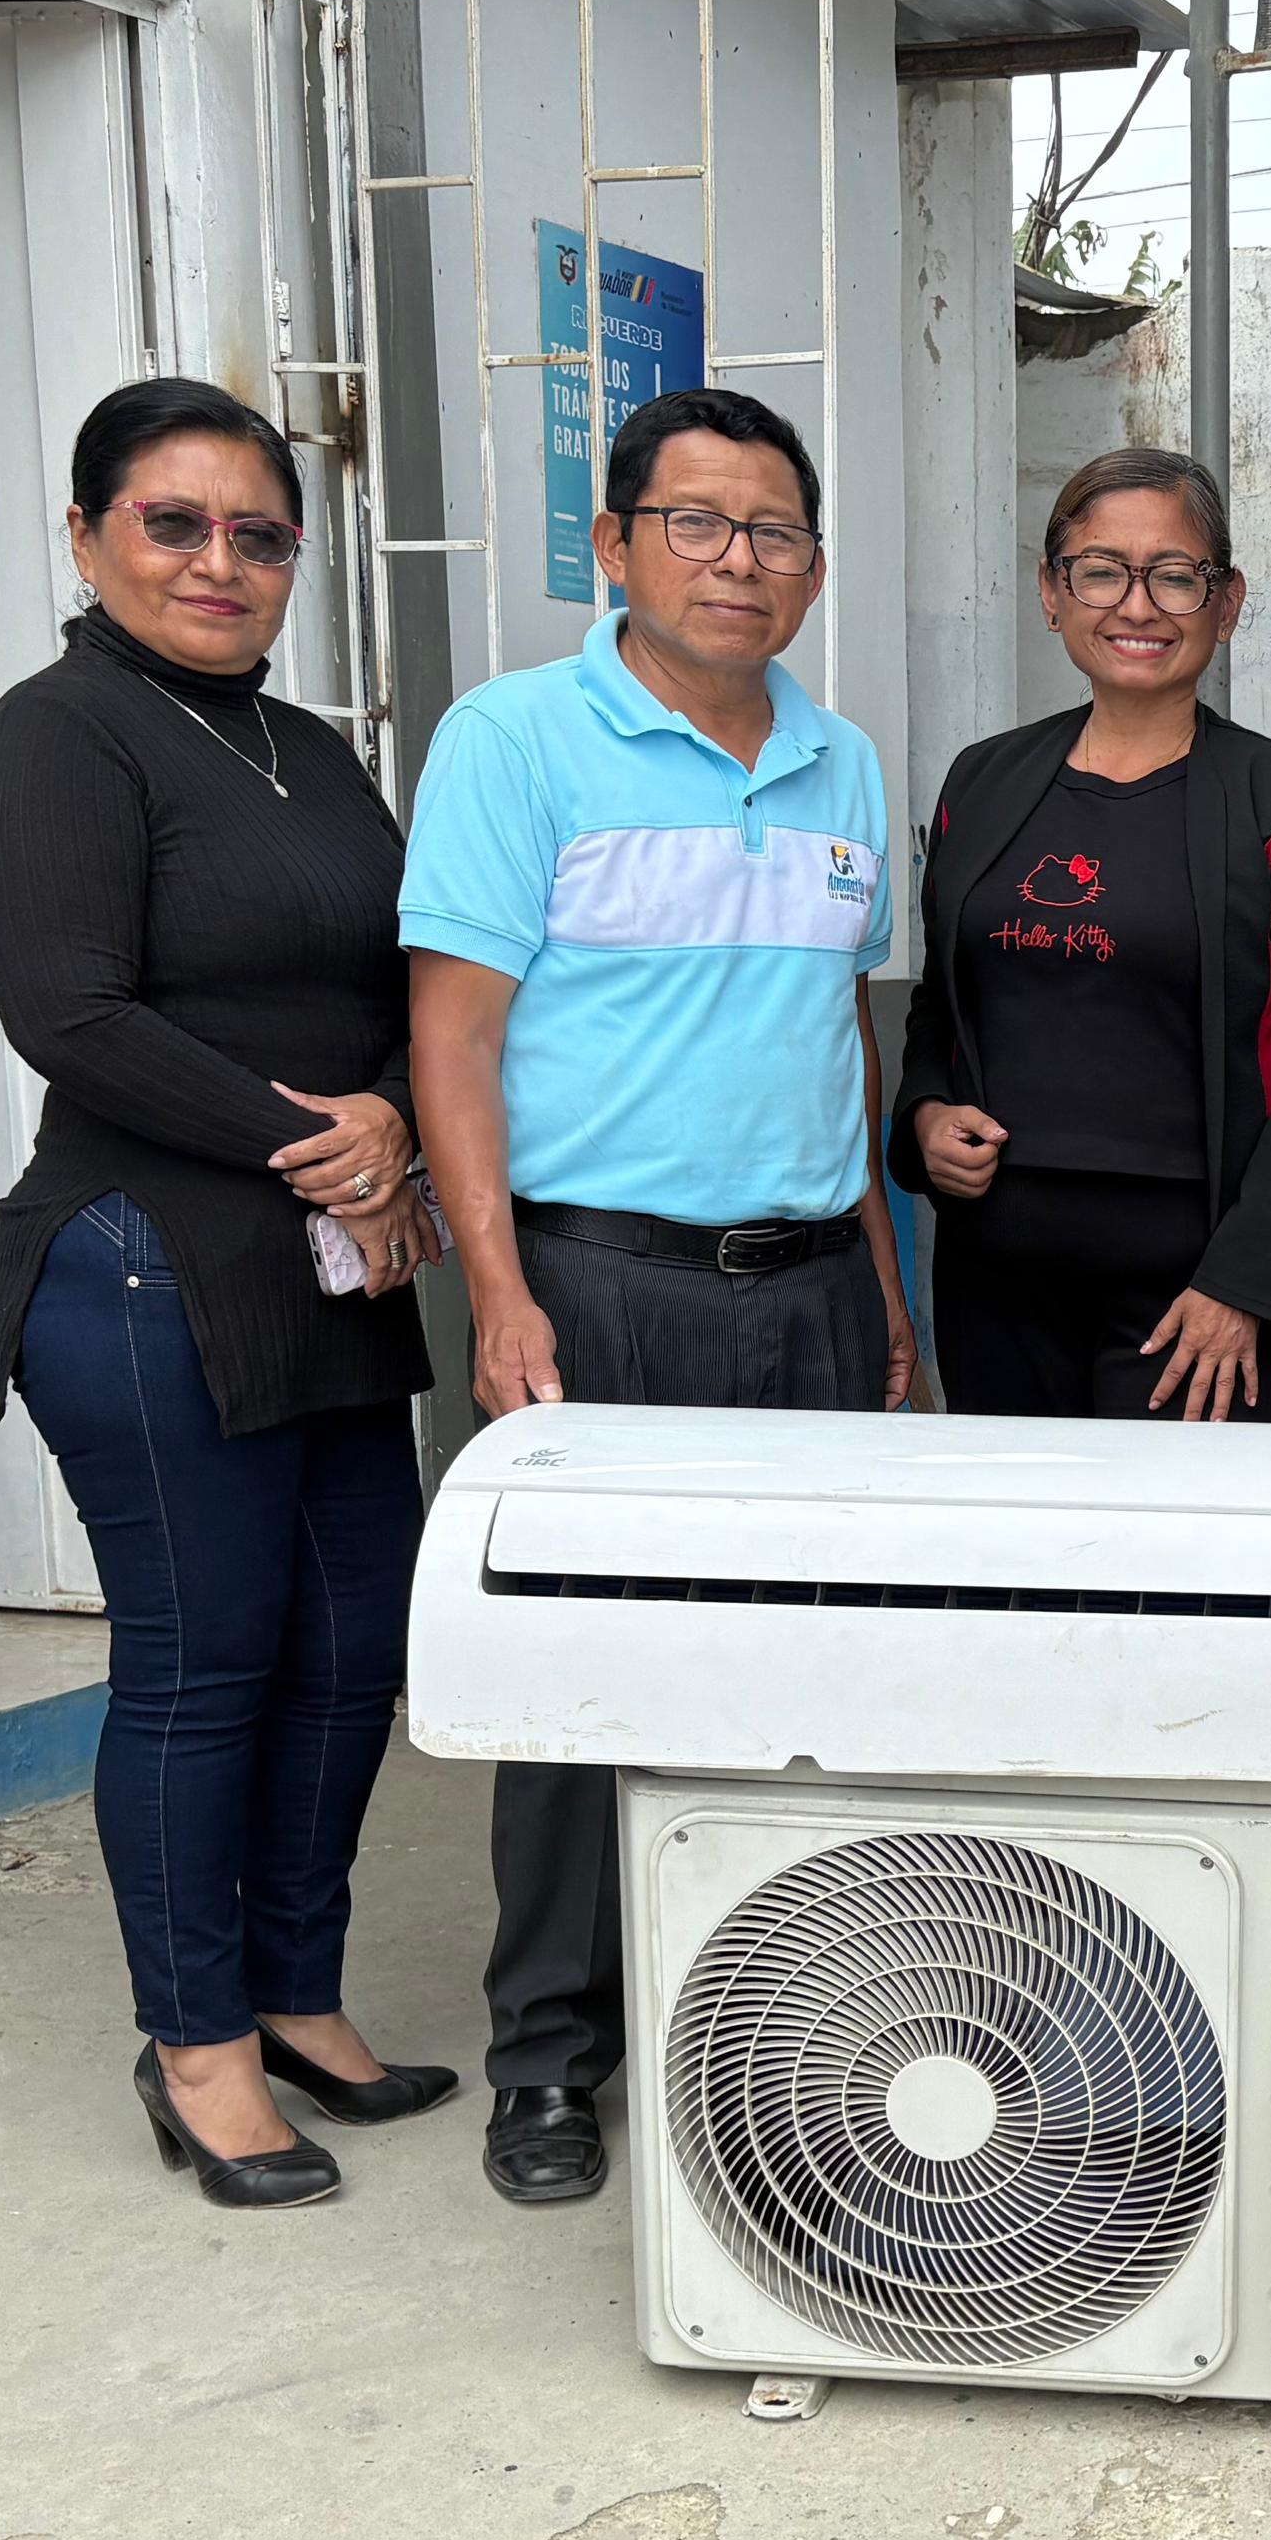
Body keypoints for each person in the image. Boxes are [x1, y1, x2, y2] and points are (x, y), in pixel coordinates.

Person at [404, 384, 911, 2208]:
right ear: (614, 545)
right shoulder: (513, 740)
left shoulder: (843, 765)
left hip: (810, 1291)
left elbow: (839, 1039)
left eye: (773, 531)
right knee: (577, 1684)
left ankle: (770, 2026)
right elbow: (453, 1038)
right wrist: (500, 1294)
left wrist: (887, 1298)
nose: (737, 561)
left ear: (814, 568)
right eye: (695, 523)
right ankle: (550, 2059)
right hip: (597, 1284)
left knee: (803, 1670)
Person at [0, 380, 451, 2212]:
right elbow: (70, 1014)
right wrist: (326, 1143)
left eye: (258, 534)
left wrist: (393, 1112)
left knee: (354, 1646)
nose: (218, 562)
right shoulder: (59, 735)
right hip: (144, 1263)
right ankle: (198, 2048)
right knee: (205, 1659)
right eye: (173, 523)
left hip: (329, 1262)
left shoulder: (309, 750)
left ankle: (297, 1993)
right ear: (88, 536)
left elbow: (408, 977)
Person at [893, 451, 1271, 1420]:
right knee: (1011, 1523)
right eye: (1101, 571)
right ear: (1052, 592)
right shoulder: (981, 784)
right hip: (995, 1285)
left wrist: (1248, 1280)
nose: (1137, 605)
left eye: (1175, 575)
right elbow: (940, 1008)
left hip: (1195, 1300)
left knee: (1173, 1528)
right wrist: (924, 1117)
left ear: (1225, 602)